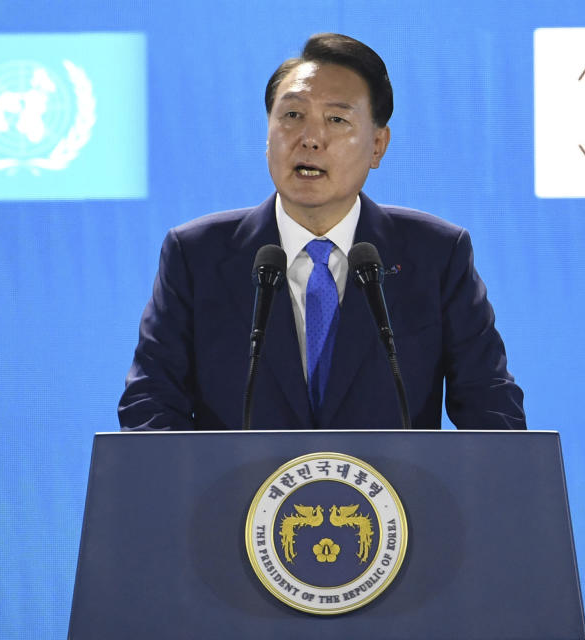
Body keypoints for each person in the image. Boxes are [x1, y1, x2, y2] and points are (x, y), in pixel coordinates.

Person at [118, 33, 525, 431]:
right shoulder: (196, 256)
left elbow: (492, 412)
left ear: (378, 145)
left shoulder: (436, 255)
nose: (310, 139)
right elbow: (149, 407)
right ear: (268, 134)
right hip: (235, 501)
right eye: (292, 115)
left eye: (337, 119)